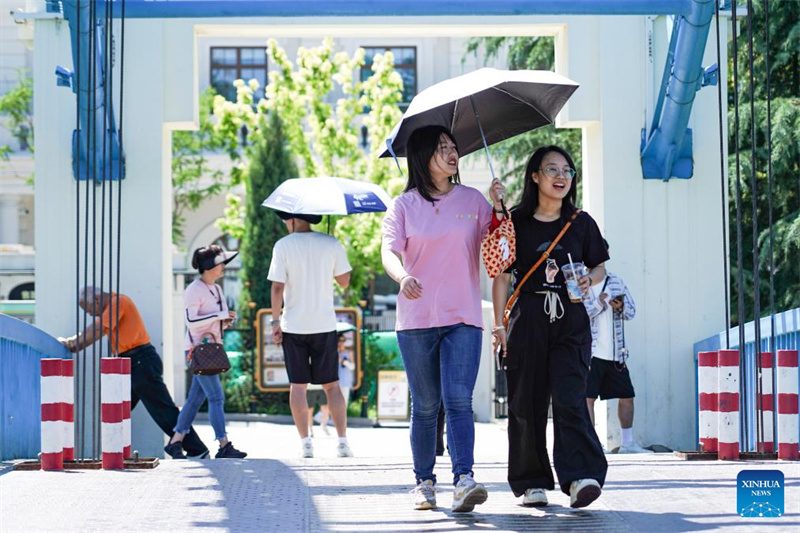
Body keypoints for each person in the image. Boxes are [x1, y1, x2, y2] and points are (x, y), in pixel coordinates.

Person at [381, 125, 505, 512]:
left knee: (458, 400)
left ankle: (464, 478)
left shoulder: (473, 200)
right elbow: (388, 252)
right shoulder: (403, 206)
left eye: (454, 147)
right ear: (422, 157)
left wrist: (500, 208)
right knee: (426, 404)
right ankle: (423, 482)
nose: (452, 154)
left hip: (463, 316)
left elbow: (500, 249)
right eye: (442, 149)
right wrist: (403, 277)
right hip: (416, 319)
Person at [492, 145, 608, 509]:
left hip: (571, 318)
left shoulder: (581, 222)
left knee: (571, 397)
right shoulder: (514, 221)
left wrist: (590, 278)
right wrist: (499, 326)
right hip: (527, 318)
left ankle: (580, 477)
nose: (561, 176)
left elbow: (600, 266)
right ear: (535, 176)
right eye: (552, 169)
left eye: (567, 170)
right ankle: (531, 482)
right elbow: (499, 274)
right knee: (526, 402)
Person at [60, 287, 210, 459]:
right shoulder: (116, 304)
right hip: (134, 362)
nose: (91, 315)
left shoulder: (118, 302)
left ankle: (196, 449)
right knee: (118, 408)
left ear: (95, 299)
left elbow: (98, 329)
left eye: (89, 310)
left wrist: (73, 343)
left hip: (140, 361)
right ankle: (115, 452)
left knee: (161, 408)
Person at [268, 211, 354, 459]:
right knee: (332, 385)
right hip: (324, 324)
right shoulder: (331, 243)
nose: (285, 224)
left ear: (293, 220)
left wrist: (275, 321)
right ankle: (342, 443)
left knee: (298, 385)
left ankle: (306, 444)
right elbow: (345, 281)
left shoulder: (283, 245)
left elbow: (276, 286)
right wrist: (333, 255)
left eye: (285, 220)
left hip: (293, 325)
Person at [165, 245, 247, 459]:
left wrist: (225, 321)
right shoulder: (194, 289)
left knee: (194, 400)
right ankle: (224, 445)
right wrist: (219, 315)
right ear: (210, 266)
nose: (223, 267)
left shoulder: (216, 289)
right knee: (217, 398)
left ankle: (175, 442)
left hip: (210, 350)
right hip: (197, 352)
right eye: (221, 263)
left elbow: (211, 321)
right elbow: (191, 321)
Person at [584, 241, 652, 454]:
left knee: (627, 395)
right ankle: (593, 444)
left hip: (616, 353)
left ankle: (628, 443)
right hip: (590, 352)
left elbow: (631, 312)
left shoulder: (616, 281)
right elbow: (577, 316)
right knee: (588, 398)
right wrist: (600, 303)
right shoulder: (581, 282)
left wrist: (620, 306)